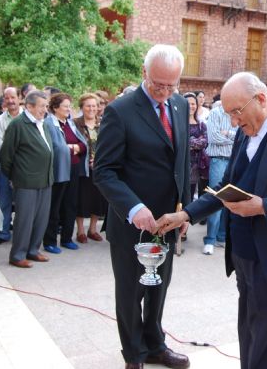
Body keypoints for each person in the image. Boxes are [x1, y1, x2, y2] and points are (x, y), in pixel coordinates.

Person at [157, 72, 267, 369]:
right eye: (229, 114)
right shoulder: (243, 133)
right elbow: (227, 186)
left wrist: (265, 206)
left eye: (237, 112)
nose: (234, 122)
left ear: (261, 99)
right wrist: (186, 214)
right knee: (250, 335)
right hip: (246, 257)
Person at [93, 44, 191, 369]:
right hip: (132, 223)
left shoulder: (178, 105)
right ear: (143, 73)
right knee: (131, 292)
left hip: (167, 220)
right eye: (157, 84)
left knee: (158, 286)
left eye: (171, 85)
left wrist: (186, 210)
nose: (165, 92)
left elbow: (182, 161)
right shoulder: (120, 111)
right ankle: (133, 355)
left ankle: (155, 345)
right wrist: (134, 208)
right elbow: (104, 171)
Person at [0, 90, 54, 268]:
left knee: (40, 219)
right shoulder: (18, 124)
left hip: (45, 180)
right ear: (29, 106)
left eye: (46, 106)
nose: (44, 110)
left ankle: (33, 250)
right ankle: (18, 255)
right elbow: (6, 156)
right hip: (26, 181)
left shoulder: (43, 123)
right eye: (41, 106)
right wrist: (16, 176)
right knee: (24, 220)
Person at [43, 93, 88, 253]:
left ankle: (67, 238)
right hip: (58, 169)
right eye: (66, 106)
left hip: (74, 168)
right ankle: (49, 241)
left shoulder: (70, 123)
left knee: (70, 204)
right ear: (55, 108)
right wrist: (71, 147)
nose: (69, 109)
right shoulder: (49, 123)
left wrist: (73, 147)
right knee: (55, 206)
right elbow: (54, 146)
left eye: (70, 106)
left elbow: (83, 145)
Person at [202, 99, 237, 255]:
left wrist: (228, 133)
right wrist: (234, 138)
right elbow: (214, 138)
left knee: (230, 200)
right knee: (216, 197)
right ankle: (210, 239)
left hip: (234, 160)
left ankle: (221, 237)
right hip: (219, 160)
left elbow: (242, 137)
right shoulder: (215, 113)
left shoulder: (237, 113)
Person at [0, 87, 22, 246]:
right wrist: (16, 153)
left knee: (23, 202)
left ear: (19, 98)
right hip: (3, 167)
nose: (10, 100)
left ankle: (21, 234)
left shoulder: (27, 118)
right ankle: (3, 233)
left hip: (23, 169)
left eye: (13, 97)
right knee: (4, 201)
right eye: (7, 98)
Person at [74, 93, 107, 243]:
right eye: (88, 105)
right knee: (81, 198)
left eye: (94, 105)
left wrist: (99, 160)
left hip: (100, 167)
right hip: (82, 167)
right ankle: (80, 230)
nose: (92, 109)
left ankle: (92, 229)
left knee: (98, 199)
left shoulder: (104, 123)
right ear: (82, 107)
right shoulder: (75, 124)